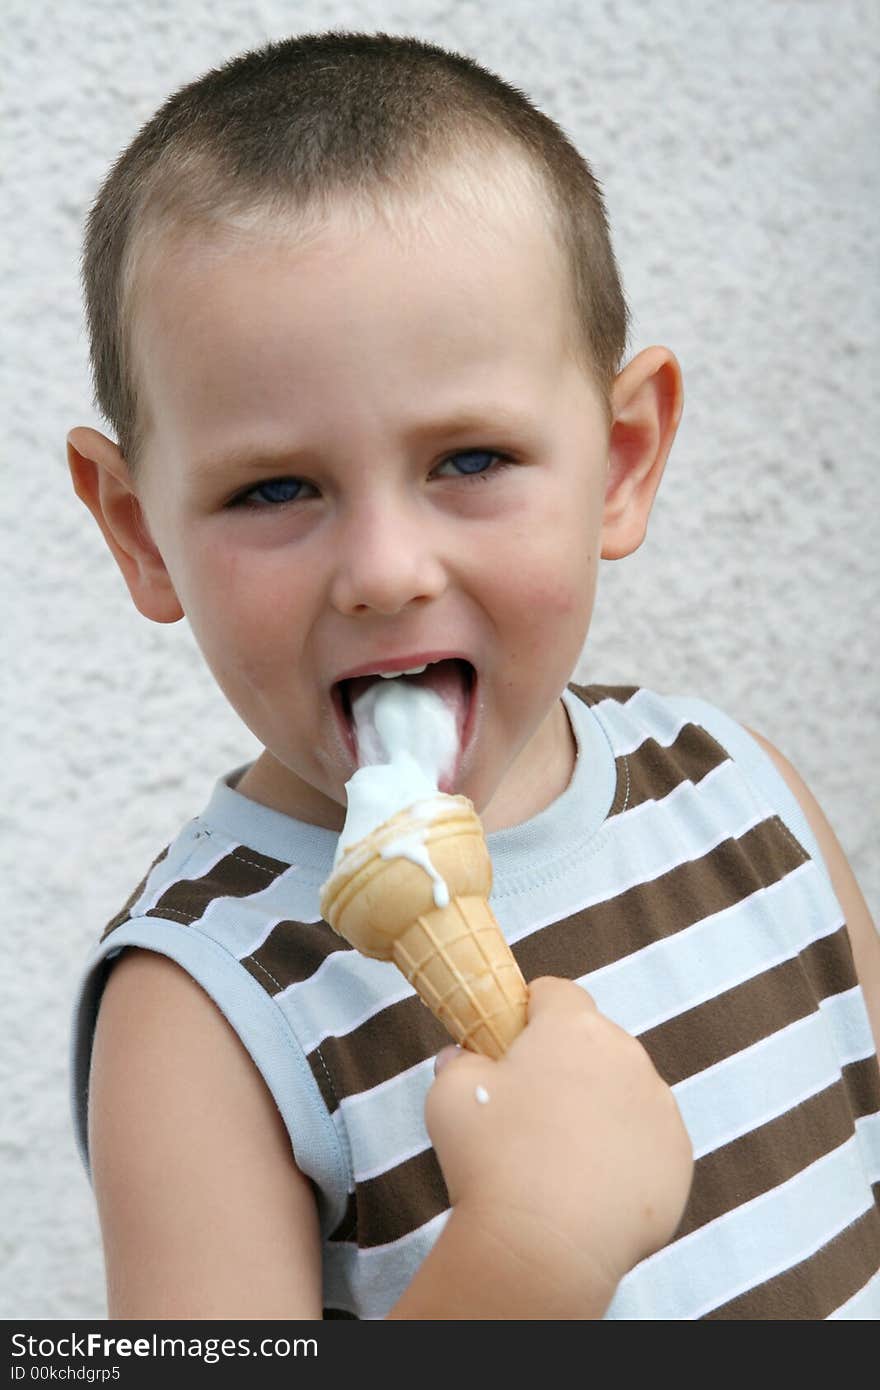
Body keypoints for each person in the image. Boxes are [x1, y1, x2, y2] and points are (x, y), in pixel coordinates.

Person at [67, 31, 880, 1320]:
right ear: (137, 530)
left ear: (620, 460)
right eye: (275, 488)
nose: (385, 571)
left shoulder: (739, 794)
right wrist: (530, 1254)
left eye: (469, 460)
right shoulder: (204, 1009)